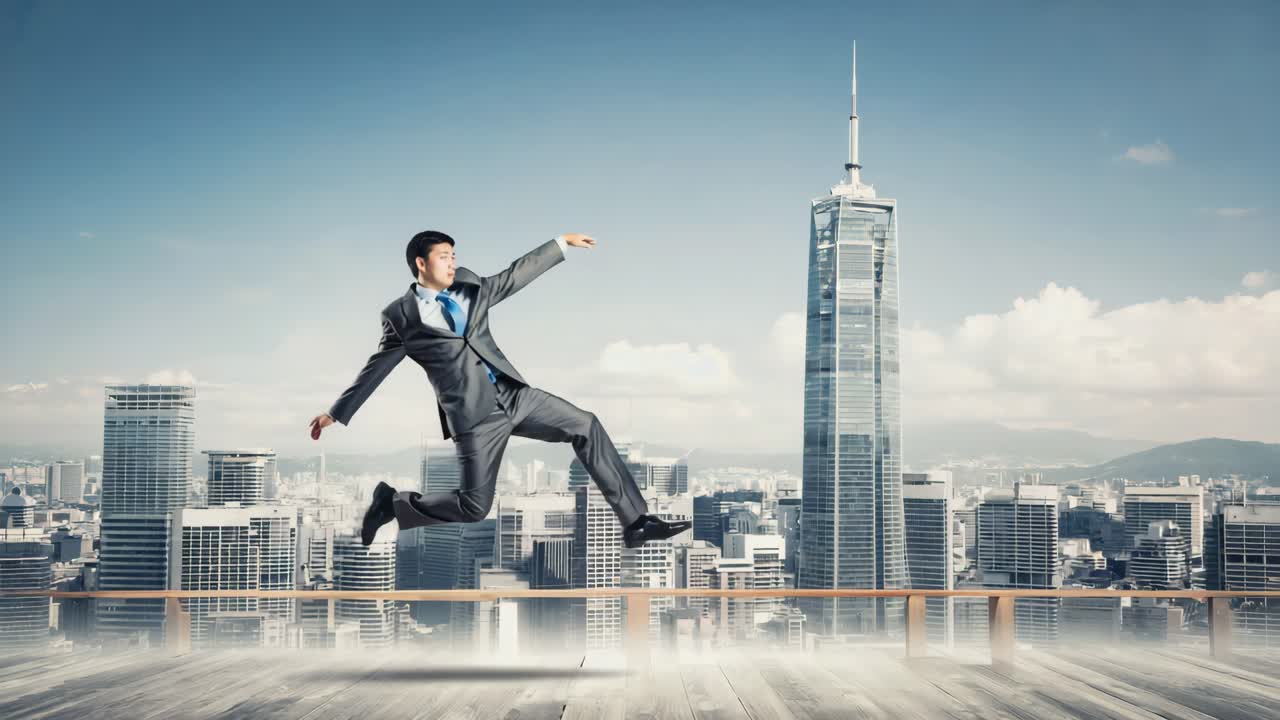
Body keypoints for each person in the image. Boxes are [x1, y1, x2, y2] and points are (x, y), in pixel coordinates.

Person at [309, 230, 691, 547]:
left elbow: (514, 275)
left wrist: (559, 243)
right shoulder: (400, 317)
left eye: (453, 255)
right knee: (475, 508)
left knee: (585, 425)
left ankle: (636, 521)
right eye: (444, 256)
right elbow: (377, 366)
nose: (452, 262)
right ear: (420, 264)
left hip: (515, 395)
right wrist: (336, 413)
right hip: (475, 418)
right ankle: (391, 504)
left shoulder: (471, 286)